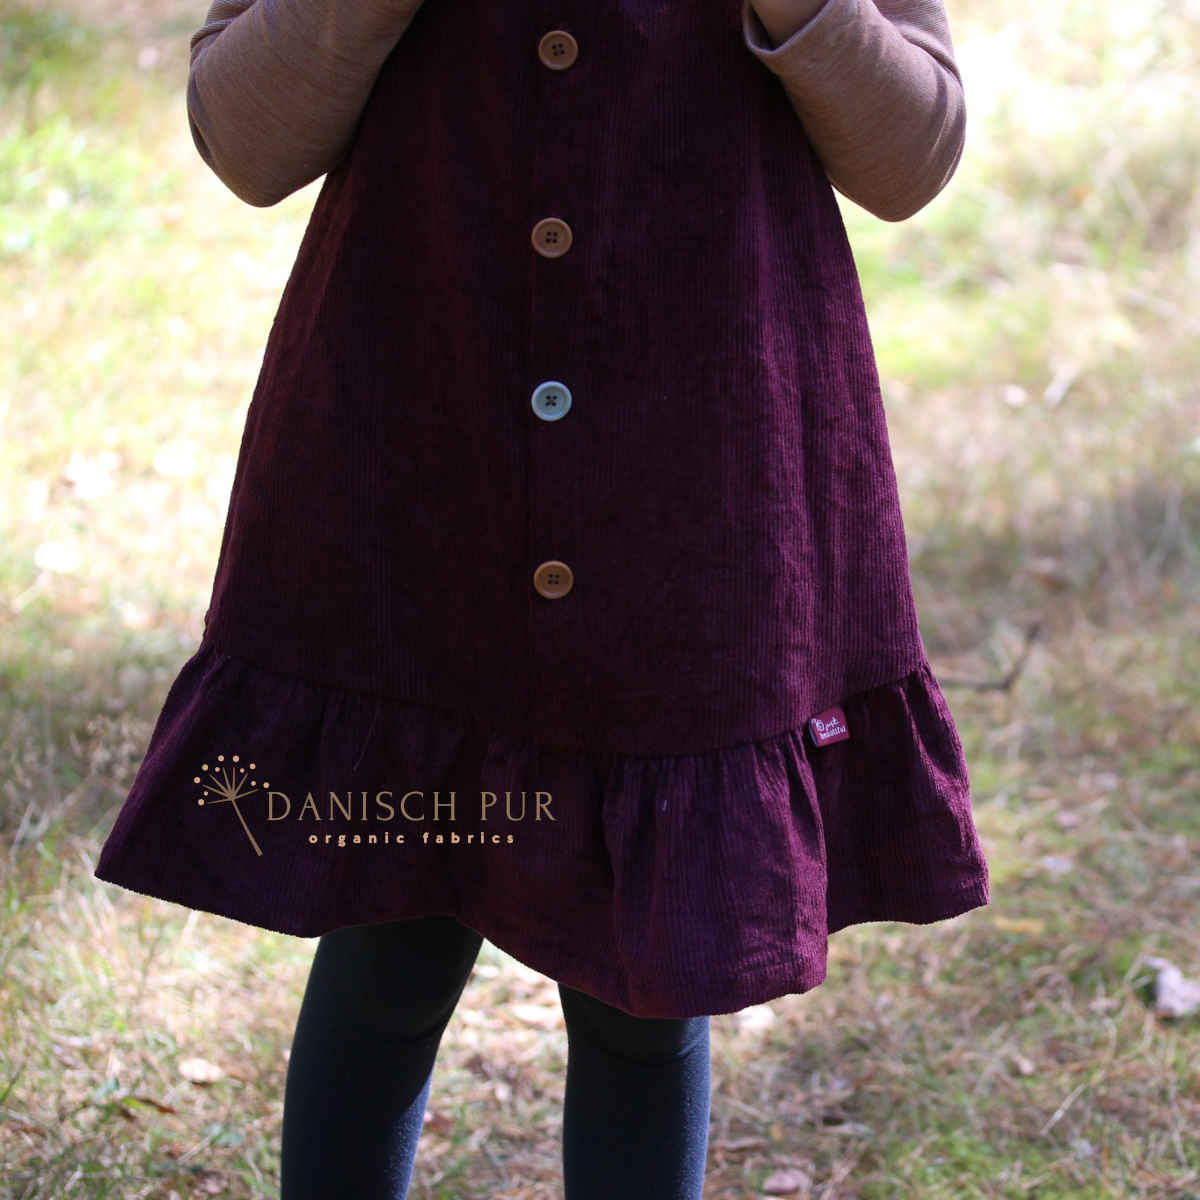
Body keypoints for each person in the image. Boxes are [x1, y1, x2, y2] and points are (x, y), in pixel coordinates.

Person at [94, 0, 991, 1195]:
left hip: (697, 485)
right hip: (422, 447)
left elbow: (912, 155)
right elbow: (244, 140)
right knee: (388, 946)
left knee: (647, 986)